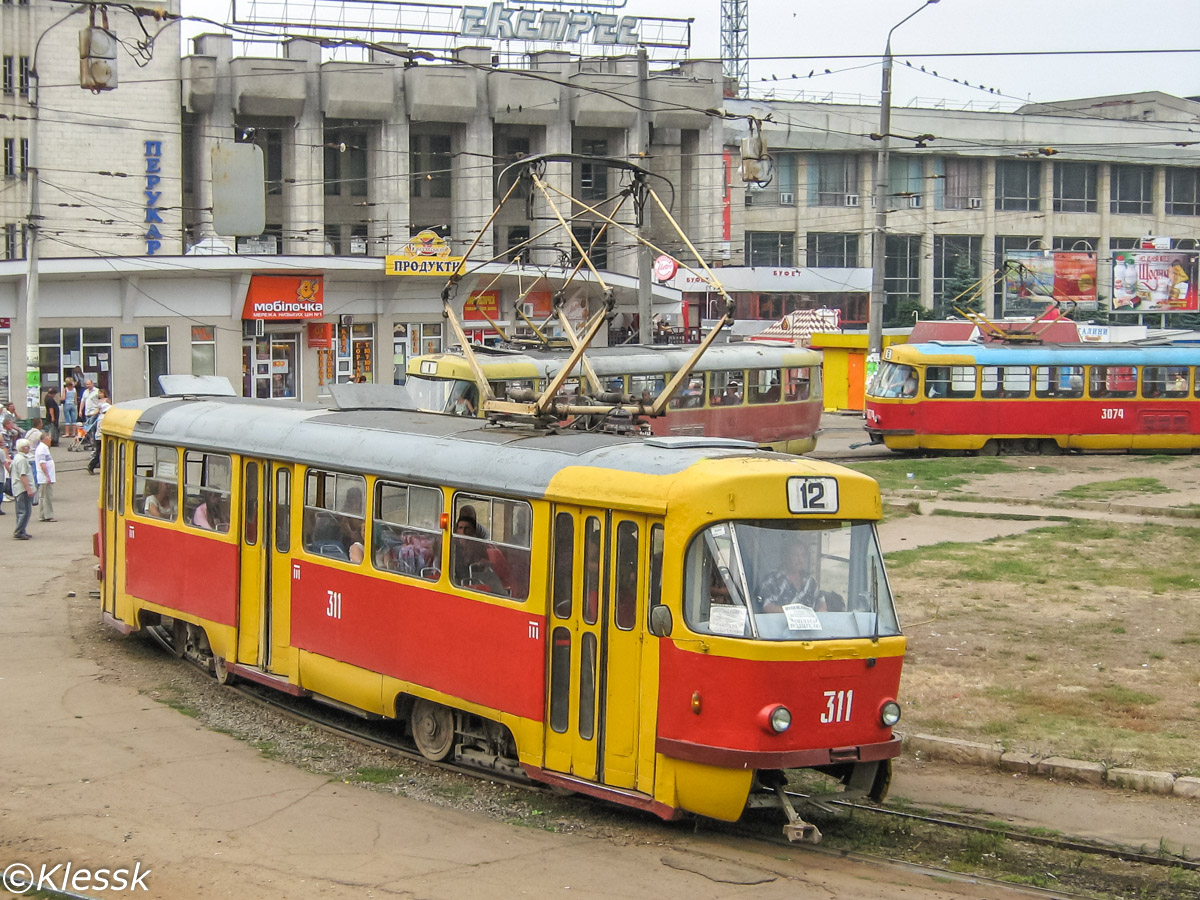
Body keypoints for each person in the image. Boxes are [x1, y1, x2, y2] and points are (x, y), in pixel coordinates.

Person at [754, 541, 822, 614]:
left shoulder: (811, 581)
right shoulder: (772, 579)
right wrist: (793, 614)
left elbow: (821, 603)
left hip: (808, 621)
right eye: (795, 555)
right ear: (785, 557)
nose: (800, 560)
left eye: (802, 555)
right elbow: (766, 606)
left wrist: (820, 611)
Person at [11, 438, 35, 540]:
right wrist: (28, 489)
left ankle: (22, 530)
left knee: (23, 510)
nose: (29, 448)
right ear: (22, 448)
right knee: (24, 511)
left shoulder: (17, 457)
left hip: (18, 488)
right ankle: (19, 531)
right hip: (22, 489)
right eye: (27, 447)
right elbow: (23, 475)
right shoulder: (22, 460)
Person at [86, 390, 110, 475]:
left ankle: (96, 465)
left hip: (98, 437)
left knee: (99, 452)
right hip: (101, 437)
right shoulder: (104, 417)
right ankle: (92, 466)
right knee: (100, 453)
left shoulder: (100, 416)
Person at [34, 432, 56, 522]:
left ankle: (42, 515)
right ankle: (48, 515)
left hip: (44, 477)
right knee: (47, 497)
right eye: (49, 438)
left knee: (43, 496)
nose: (51, 440)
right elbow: (42, 463)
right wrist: (47, 476)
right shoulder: (42, 448)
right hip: (44, 478)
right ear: (45, 439)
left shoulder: (43, 448)